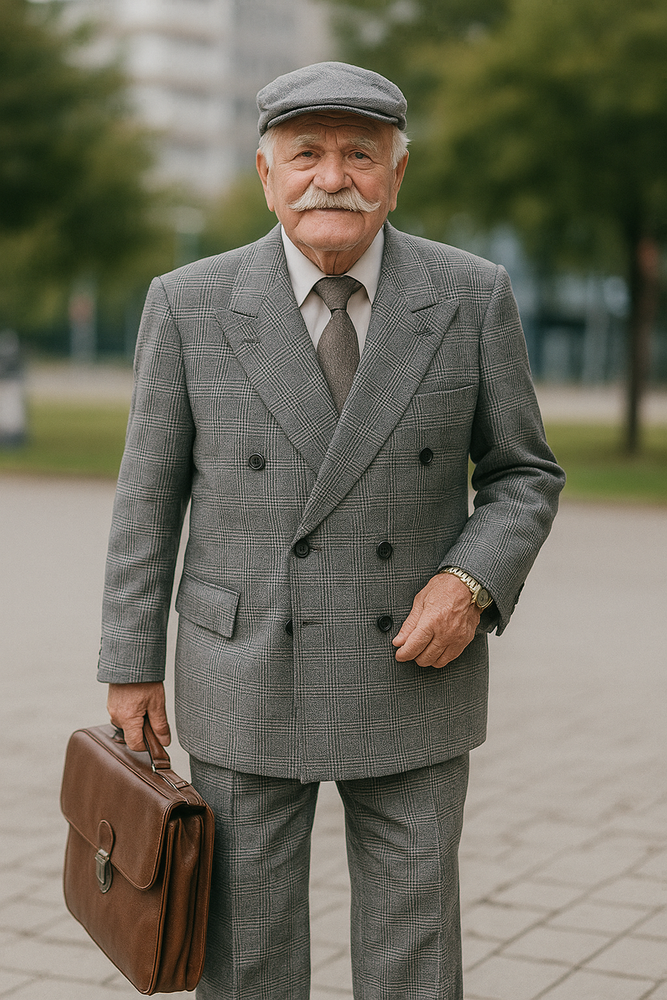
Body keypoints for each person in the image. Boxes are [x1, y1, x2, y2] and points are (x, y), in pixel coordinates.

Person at [100, 61, 565, 1000]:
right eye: (306, 153)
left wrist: (470, 582)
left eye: (359, 154)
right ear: (266, 173)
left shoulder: (471, 295)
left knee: (413, 963)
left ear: (398, 173)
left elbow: (523, 474)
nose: (332, 177)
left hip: (412, 670)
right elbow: (146, 502)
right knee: (245, 961)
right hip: (243, 672)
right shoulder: (187, 302)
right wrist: (129, 662)